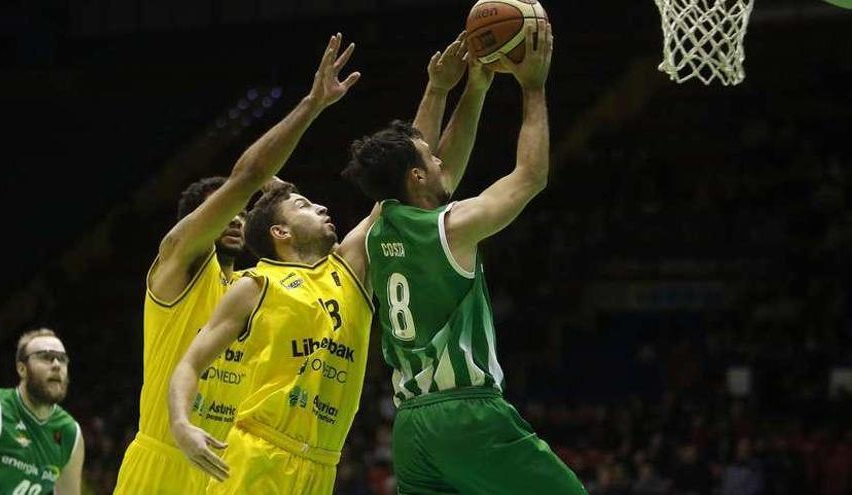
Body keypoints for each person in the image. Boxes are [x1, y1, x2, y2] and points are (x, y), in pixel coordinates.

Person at [167, 33, 485, 495]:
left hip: (322, 466)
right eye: (302, 206)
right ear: (280, 232)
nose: (320, 208)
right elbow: (189, 364)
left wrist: (446, 89)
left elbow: (414, 178)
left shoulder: (350, 269)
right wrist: (180, 423)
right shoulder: (256, 284)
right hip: (257, 456)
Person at [344, 21, 587, 494]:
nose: (441, 161)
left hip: (410, 426)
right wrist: (533, 87)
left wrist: (471, 90)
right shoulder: (451, 228)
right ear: (416, 177)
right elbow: (530, 176)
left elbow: (425, 161)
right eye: (430, 161)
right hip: (467, 413)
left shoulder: (375, 230)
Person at [114, 32, 361, 495]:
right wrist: (311, 105)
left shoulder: (257, 288)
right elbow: (248, 177)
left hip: (227, 471)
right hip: (163, 464)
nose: (237, 216)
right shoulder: (179, 263)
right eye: (226, 208)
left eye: (245, 213)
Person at [0, 328, 84, 495]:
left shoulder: (70, 434)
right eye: (46, 357)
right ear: (22, 369)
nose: (56, 365)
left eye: (62, 359)